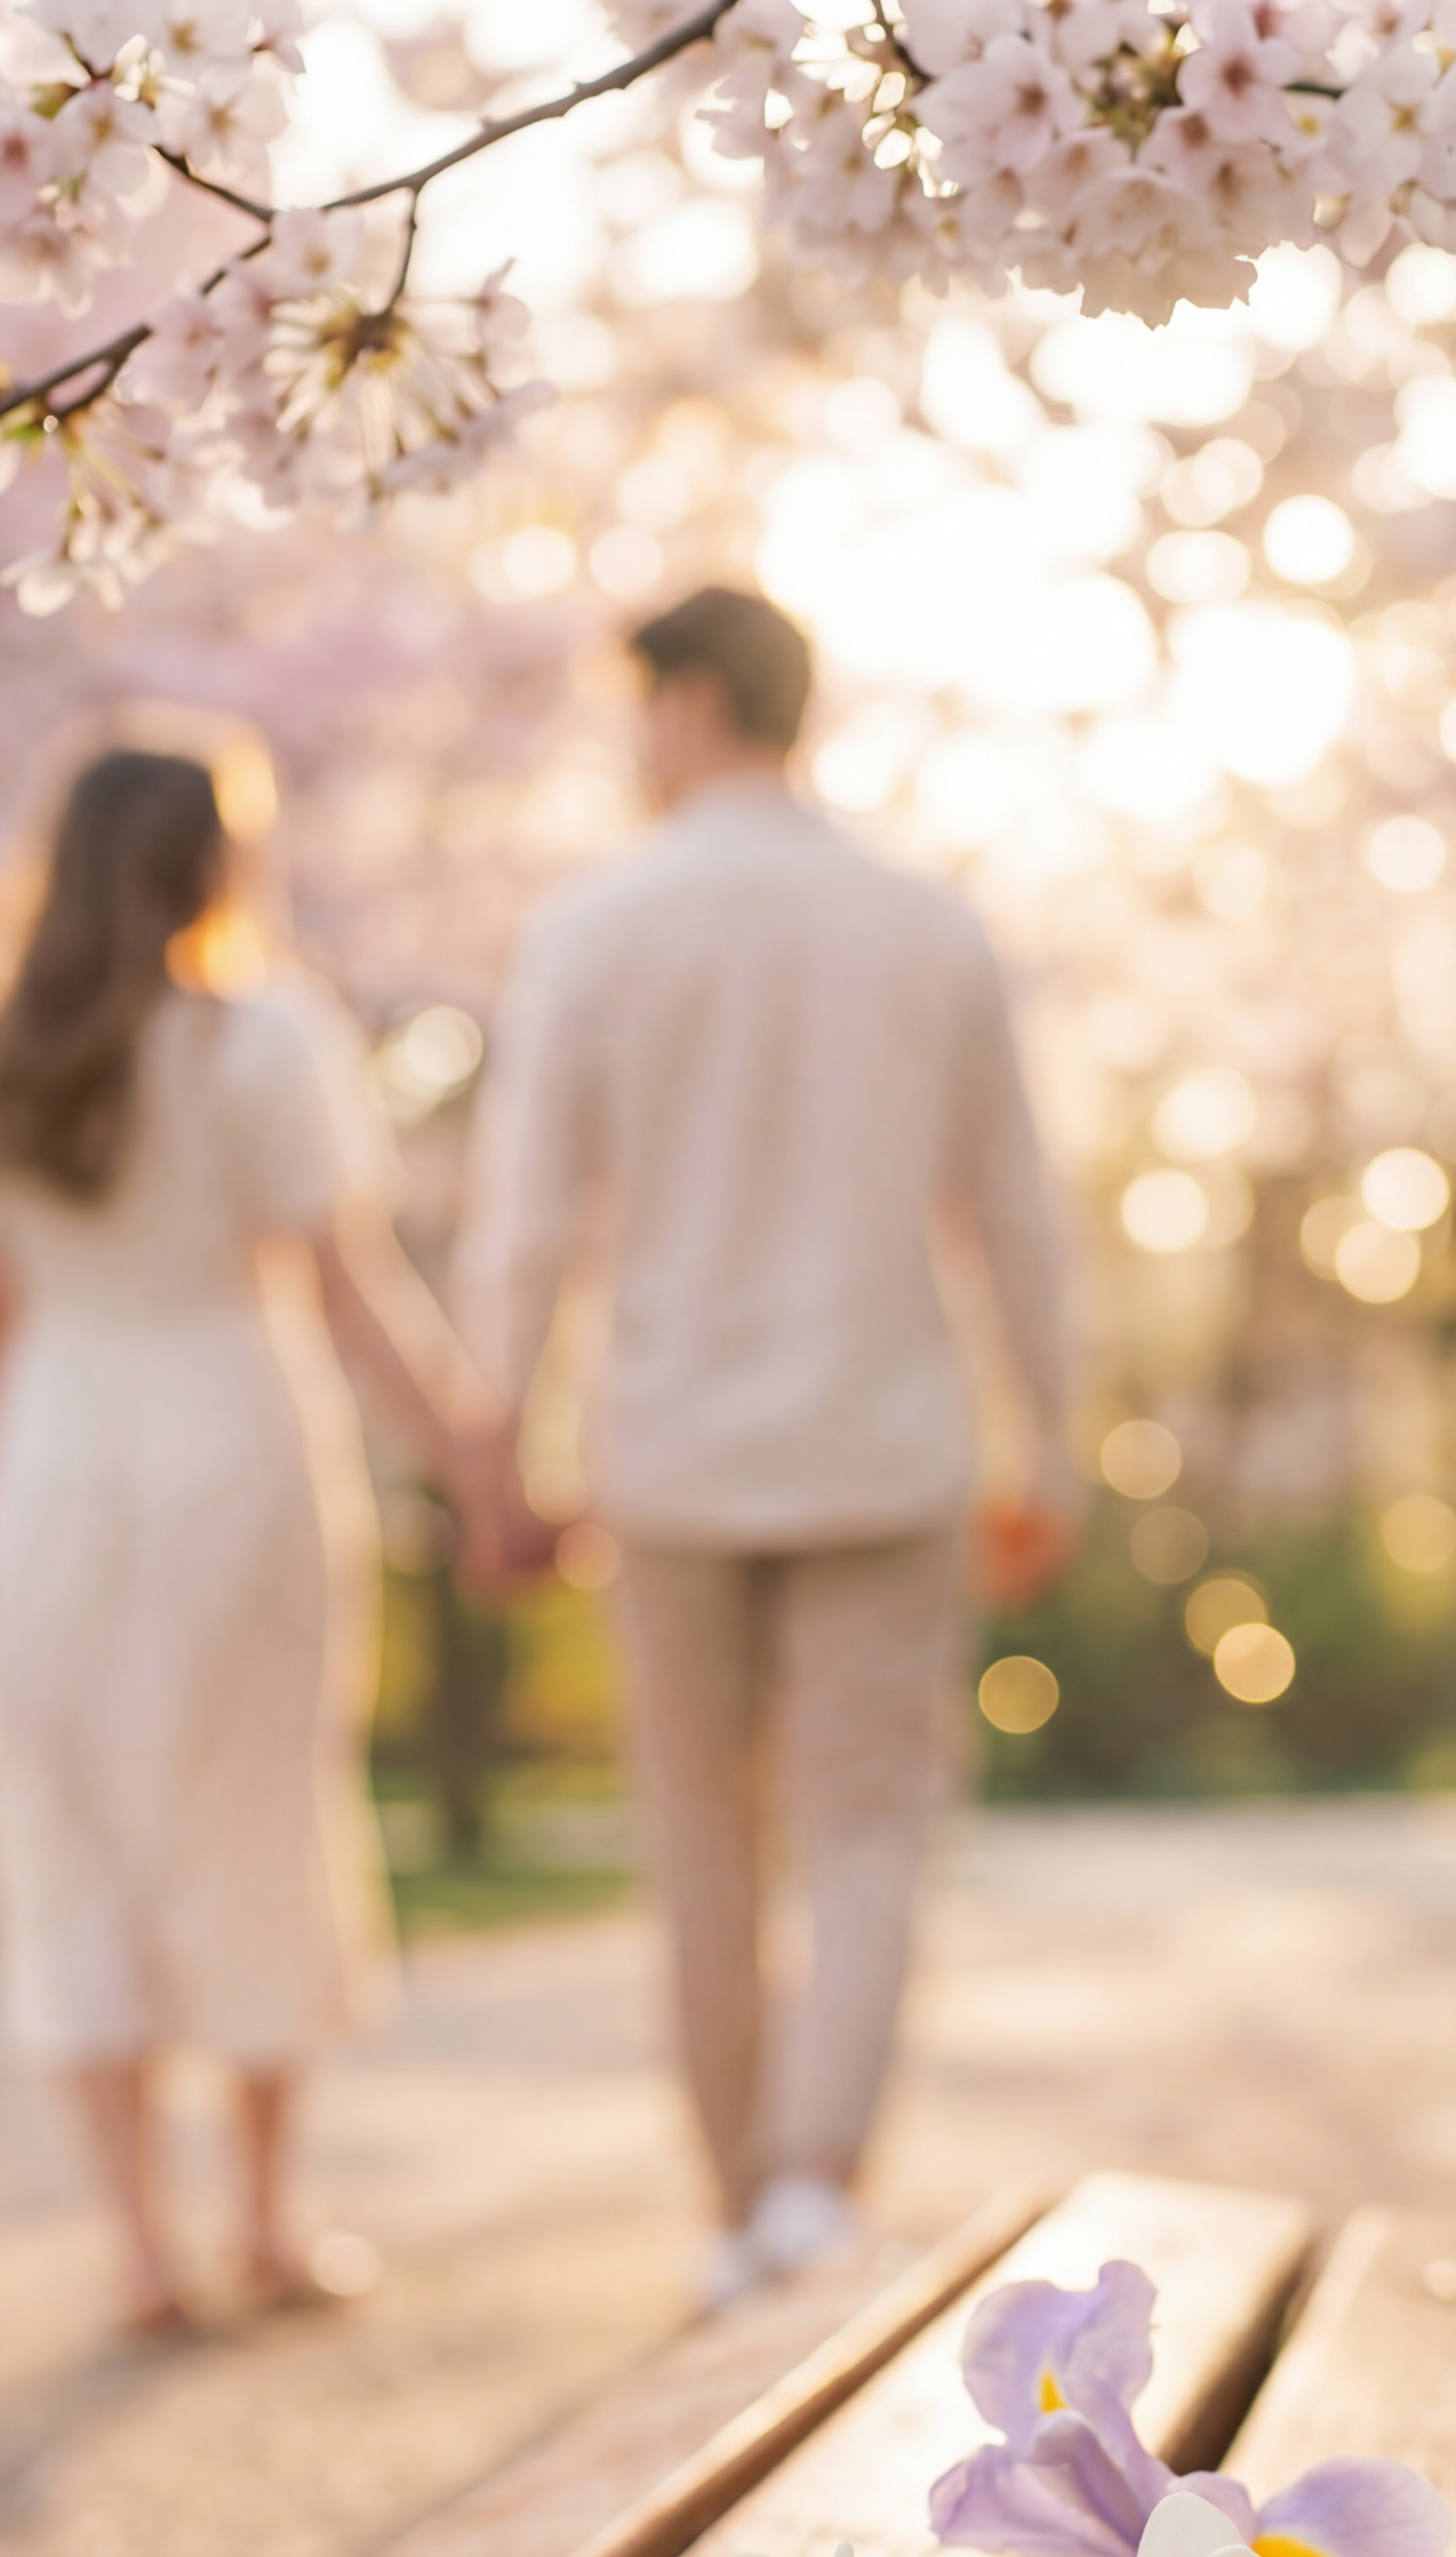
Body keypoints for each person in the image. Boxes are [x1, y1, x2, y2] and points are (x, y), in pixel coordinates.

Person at [457, 588, 1073, 2309]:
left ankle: (738, 2210)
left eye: (636, 706)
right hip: (882, 1440)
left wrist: (493, 1434)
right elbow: (1012, 1209)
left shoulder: (594, 926)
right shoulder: (925, 927)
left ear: (697, 700)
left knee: (700, 1837)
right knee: (869, 1826)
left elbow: (523, 1216)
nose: (625, 743)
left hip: (668, 1450)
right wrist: (1055, 1437)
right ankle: (815, 2178)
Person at [0, 722, 505, 2336]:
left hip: (54, 1466)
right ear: (216, 865)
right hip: (234, 1452)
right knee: (257, 1814)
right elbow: (351, 1286)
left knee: (73, 1834)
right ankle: (261, 2220)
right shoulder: (266, 1039)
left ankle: (135, 2243)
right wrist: (476, 1456)